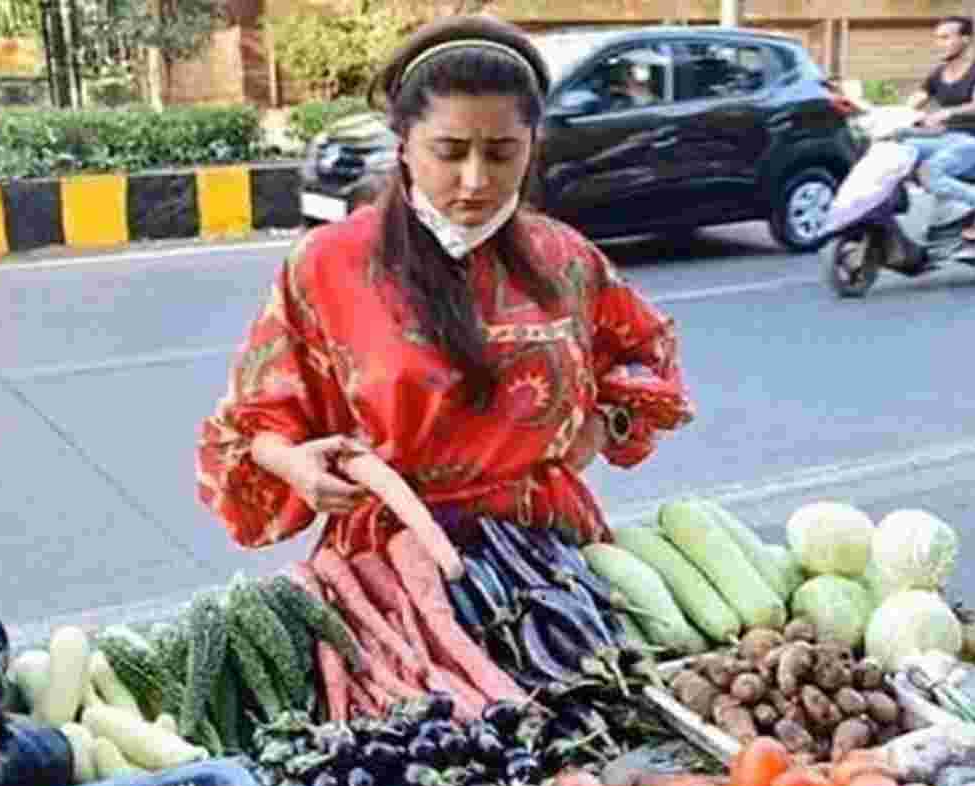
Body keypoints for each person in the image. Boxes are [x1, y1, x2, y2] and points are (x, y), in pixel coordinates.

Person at [196, 14, 694, 564]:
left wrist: (603, 424)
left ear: (532, 145)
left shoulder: (567, 260)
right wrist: (295, 465)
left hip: (551, 551)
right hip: (391, 564)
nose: (476, 179)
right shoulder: (326, 264)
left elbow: (646, 355)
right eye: (450, 152)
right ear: (405, 145)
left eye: (502, 152)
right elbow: (257, 421)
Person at [905, 15, 975, 241]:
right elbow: (915, 100)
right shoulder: (938, 74)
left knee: (930, 171)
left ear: (965, 39)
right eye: (937, 38)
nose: (939, 43)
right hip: (944, 138)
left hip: (974, 141)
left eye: (946, 37)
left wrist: (948, 112)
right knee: (898, 148)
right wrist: (893, 116)